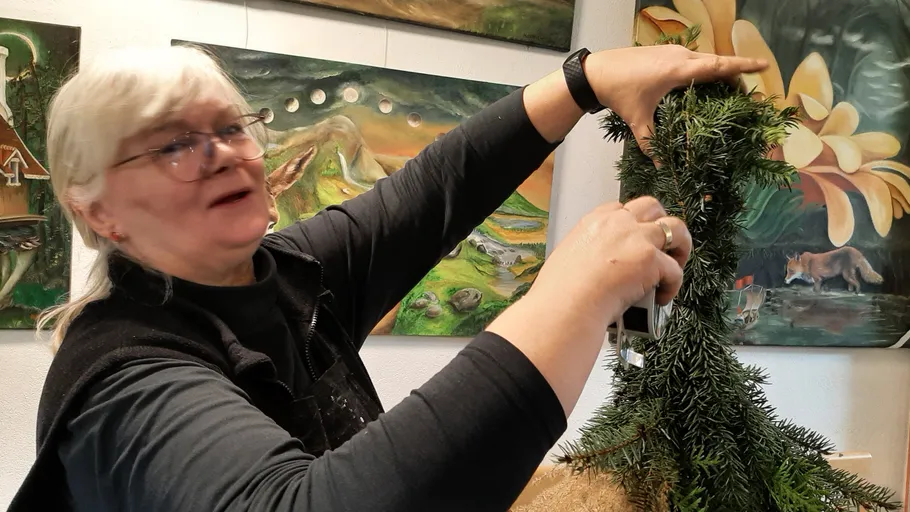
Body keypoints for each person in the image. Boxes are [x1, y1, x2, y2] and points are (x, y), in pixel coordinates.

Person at [8, 43, 765, 511]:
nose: (224, 155)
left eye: (232, 126)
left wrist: (585, 78)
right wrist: (576, 293)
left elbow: (431, 192)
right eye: (173, 144)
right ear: (97, 210)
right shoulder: (123, 384)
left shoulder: (284, 272)